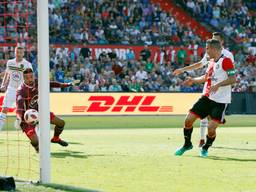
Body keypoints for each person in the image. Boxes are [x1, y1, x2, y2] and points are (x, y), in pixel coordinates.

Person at [174, 39, 236, 157]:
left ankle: (205, 147)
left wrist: (218, 85)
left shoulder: (226, 61)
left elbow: (233, 79)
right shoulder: (211, 61)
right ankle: (187, 144)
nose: (206, 51)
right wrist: (193, 80)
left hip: (220, 101)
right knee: (188, 120)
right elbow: (206, 77)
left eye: (207, 48)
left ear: (214, 49)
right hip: (207, 98)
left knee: (211, 128)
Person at [16, 68, 73, 152]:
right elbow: (19, 106)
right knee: (35, 141)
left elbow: (50, 84)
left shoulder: (37, 82)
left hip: (41, 112)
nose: (30, 79)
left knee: (61, 123)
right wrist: (19, 118)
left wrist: (65, 84)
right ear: (24, 78)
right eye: (27, 78)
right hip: (27, 118)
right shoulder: (21, 90)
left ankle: (55, 138)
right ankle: (37, 148)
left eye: (31, 77)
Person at [0, 46, 32, 131]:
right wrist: (3, 84)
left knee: (24, 111)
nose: (19, 54)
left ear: (23, 53)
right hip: (11, 89)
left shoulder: (27, 64)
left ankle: (25, 126)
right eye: (17, 52)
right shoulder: (10, 62)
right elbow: (7, 74)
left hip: (22, 90)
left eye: (21, 52)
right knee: (4, 109)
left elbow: (31, 77)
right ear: (15, 52)